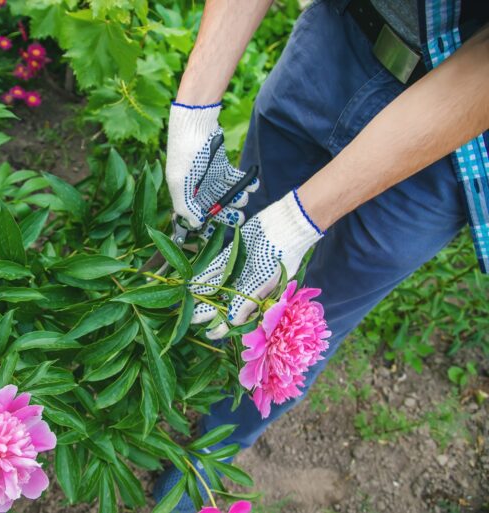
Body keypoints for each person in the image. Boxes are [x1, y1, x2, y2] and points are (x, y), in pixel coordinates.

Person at [154, 0, 489, 510]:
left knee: (310, 322)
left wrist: (296, 224)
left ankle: (213, 446)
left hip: (453, 142)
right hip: (341, 34)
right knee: (234, 238)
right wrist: (194, 110)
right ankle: (161, 367)